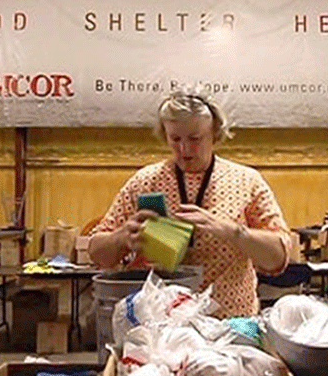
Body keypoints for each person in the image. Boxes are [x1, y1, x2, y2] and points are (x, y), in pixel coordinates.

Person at [88, 92, 292, 318]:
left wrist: (234, 232)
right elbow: (97, 253)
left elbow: (279, 258)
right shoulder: (144, 182)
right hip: (159, 325)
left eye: (195, 139)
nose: (184, 149)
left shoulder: (246, 181)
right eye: (175, 139)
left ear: (215, 134)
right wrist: (122, 237)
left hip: (230, 323)